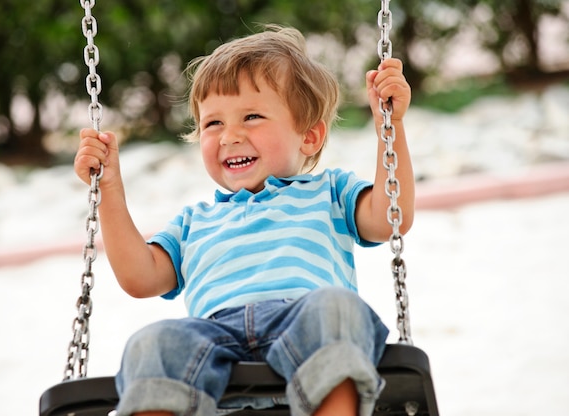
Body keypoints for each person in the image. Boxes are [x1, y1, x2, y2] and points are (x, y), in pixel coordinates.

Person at [74, 25, 413, 416]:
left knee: (337, 309)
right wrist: (110, 188)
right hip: (215, 340)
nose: (229, 136)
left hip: (303, 326)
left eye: (251, 116)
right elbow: (140, 277)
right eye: (212, 123)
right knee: (153, 341)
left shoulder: (329, 192)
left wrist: (391, 127)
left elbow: (392, 217)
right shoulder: (194, 221)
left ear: (309, 136)